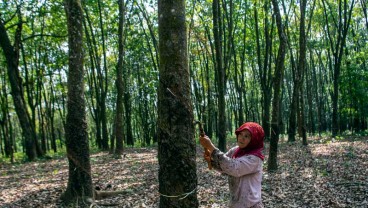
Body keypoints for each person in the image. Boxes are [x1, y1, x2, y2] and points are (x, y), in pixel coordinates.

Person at [199, 122, 265, 208]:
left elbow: (234, 168)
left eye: (247, 136)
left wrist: (211, 147)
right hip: (236, 203)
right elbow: (224, 167)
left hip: (251, 205)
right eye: (241, 134)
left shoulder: (255, 159)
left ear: (254, 140)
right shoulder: (236, 150)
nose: (242, 138)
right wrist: (212, 161)